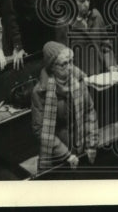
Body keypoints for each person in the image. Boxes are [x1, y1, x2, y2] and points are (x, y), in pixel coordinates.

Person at [31, 41, 98, 173]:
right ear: (52, 67)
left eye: (71, 61)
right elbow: (40, 130)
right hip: (55, 153)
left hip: (81, 145)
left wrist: (92, 143)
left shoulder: (78, 81)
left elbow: (89, 112)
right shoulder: (40, 92)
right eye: (63, 64)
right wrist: (66, 155)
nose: (70, 67)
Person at [65, 0, 116, 76]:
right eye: (82, 1)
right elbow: (64, 59)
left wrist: (111, 65)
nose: (87, 4)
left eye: (88, 0)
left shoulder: (96, 15)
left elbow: (106, 45)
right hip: (81, 76)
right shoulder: (64, 24)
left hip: (101, 72)